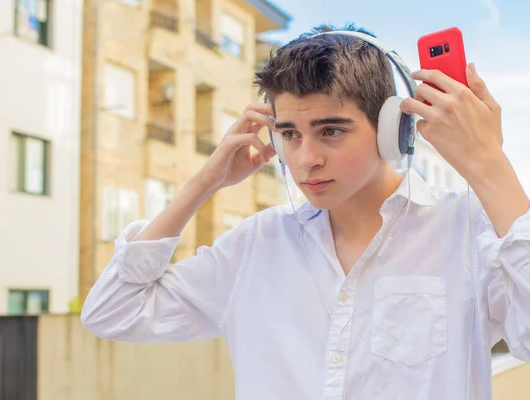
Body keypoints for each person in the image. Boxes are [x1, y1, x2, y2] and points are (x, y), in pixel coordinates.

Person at [80, 24, 530, 399]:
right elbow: (112, 311)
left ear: (394, 130)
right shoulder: (256, 245)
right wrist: (204, 183)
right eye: (289, 134)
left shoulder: (470, 231)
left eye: (330, 130)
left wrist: (488, 163)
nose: (305, 159)